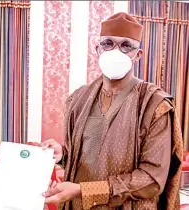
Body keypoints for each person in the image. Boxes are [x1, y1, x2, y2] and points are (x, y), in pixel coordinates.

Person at [41, 12, 183, 209]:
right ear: (98, 49)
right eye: (108, 43)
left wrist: (85, 190)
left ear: (137, 55)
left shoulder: (154, 104)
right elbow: (83, 158)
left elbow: (152, 179)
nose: (116, 51)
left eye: (126, 46)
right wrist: (62, 155)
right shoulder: (78, 99)